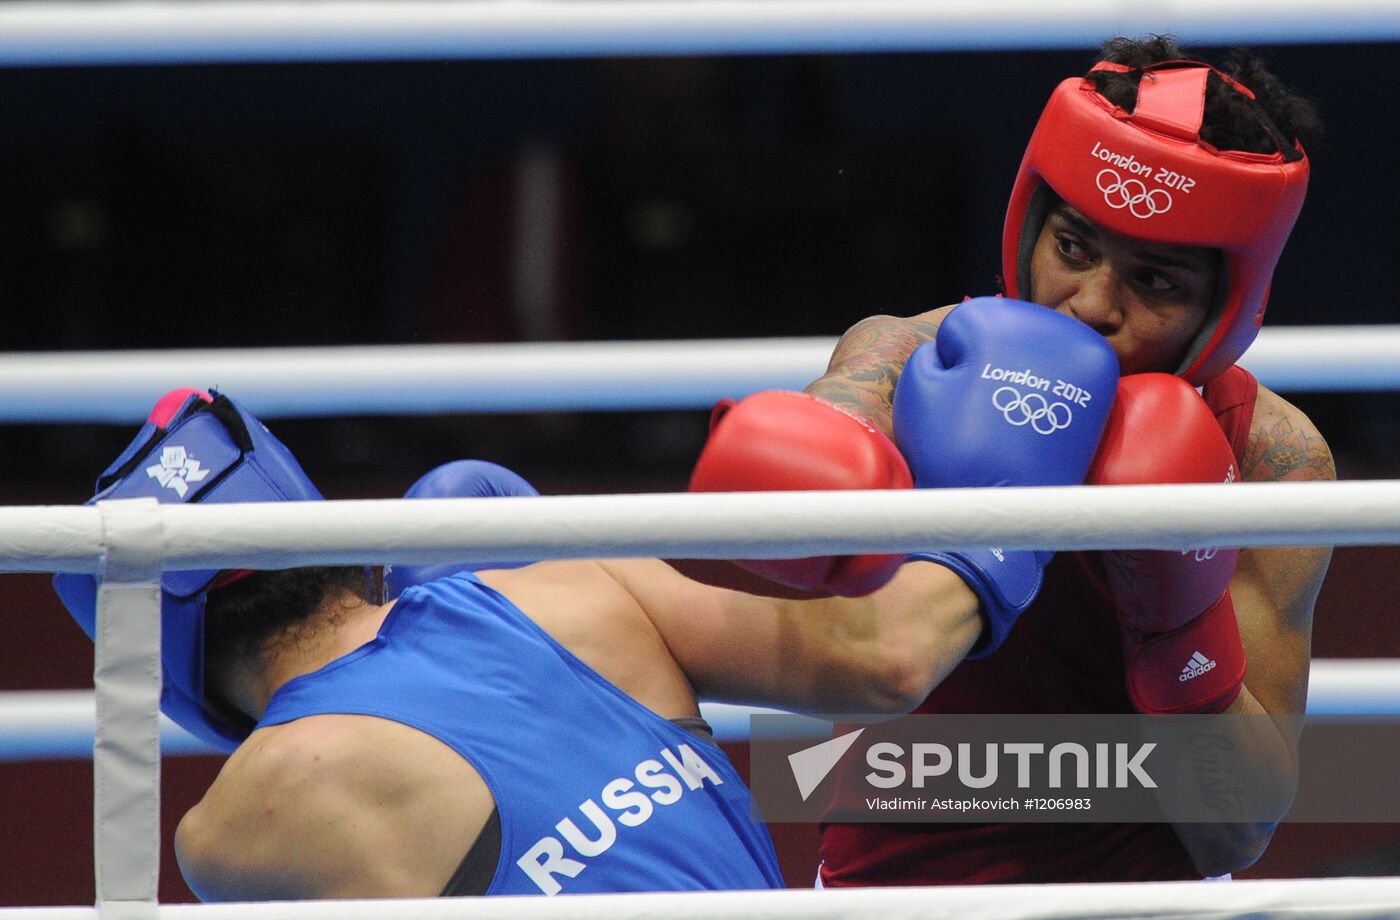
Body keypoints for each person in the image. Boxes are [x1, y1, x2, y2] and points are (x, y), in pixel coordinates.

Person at [686, 36, 1334, 884]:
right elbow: (841, 412)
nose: (1093, 305)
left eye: (1158, 282)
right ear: (1030, 226)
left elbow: (1237, 832)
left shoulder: (1272, 460)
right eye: (1073, 249)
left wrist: (1177, 631)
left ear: (1228, 306)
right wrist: (823, 455)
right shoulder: (903, 361)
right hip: (887, 893)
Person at [53, 385, 1018, 901]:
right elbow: (889, 655)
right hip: (1081, 785)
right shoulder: (564, 583)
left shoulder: (227, 835)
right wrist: (1031, 467)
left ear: (161, 660)